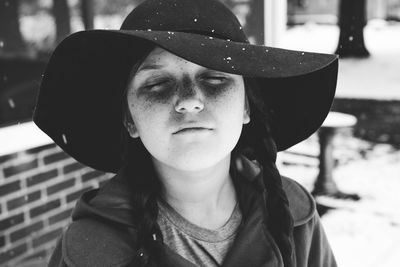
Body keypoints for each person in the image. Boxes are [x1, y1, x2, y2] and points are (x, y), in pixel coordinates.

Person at [33, 0, 339, 266]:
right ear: (130, 120)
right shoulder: (89, 252)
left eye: (215, 78)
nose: (190, 100)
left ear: (246, 107)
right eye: (157, 84)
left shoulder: (295, 218)